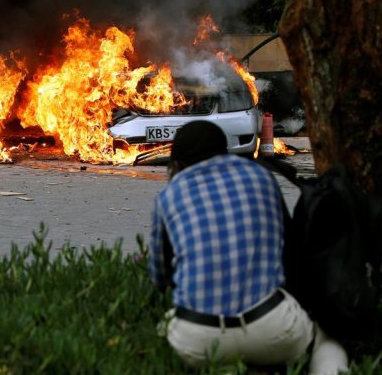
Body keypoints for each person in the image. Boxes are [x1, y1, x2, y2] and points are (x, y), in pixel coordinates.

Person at [148, 120, 348, 373]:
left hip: (199, 339)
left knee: (164, 328)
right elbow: (288, 249)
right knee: (325, 343)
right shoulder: (261, 176)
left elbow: (159, 277)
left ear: (176, 165)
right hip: (271, 326)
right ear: (224, 152)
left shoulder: (168, 197)